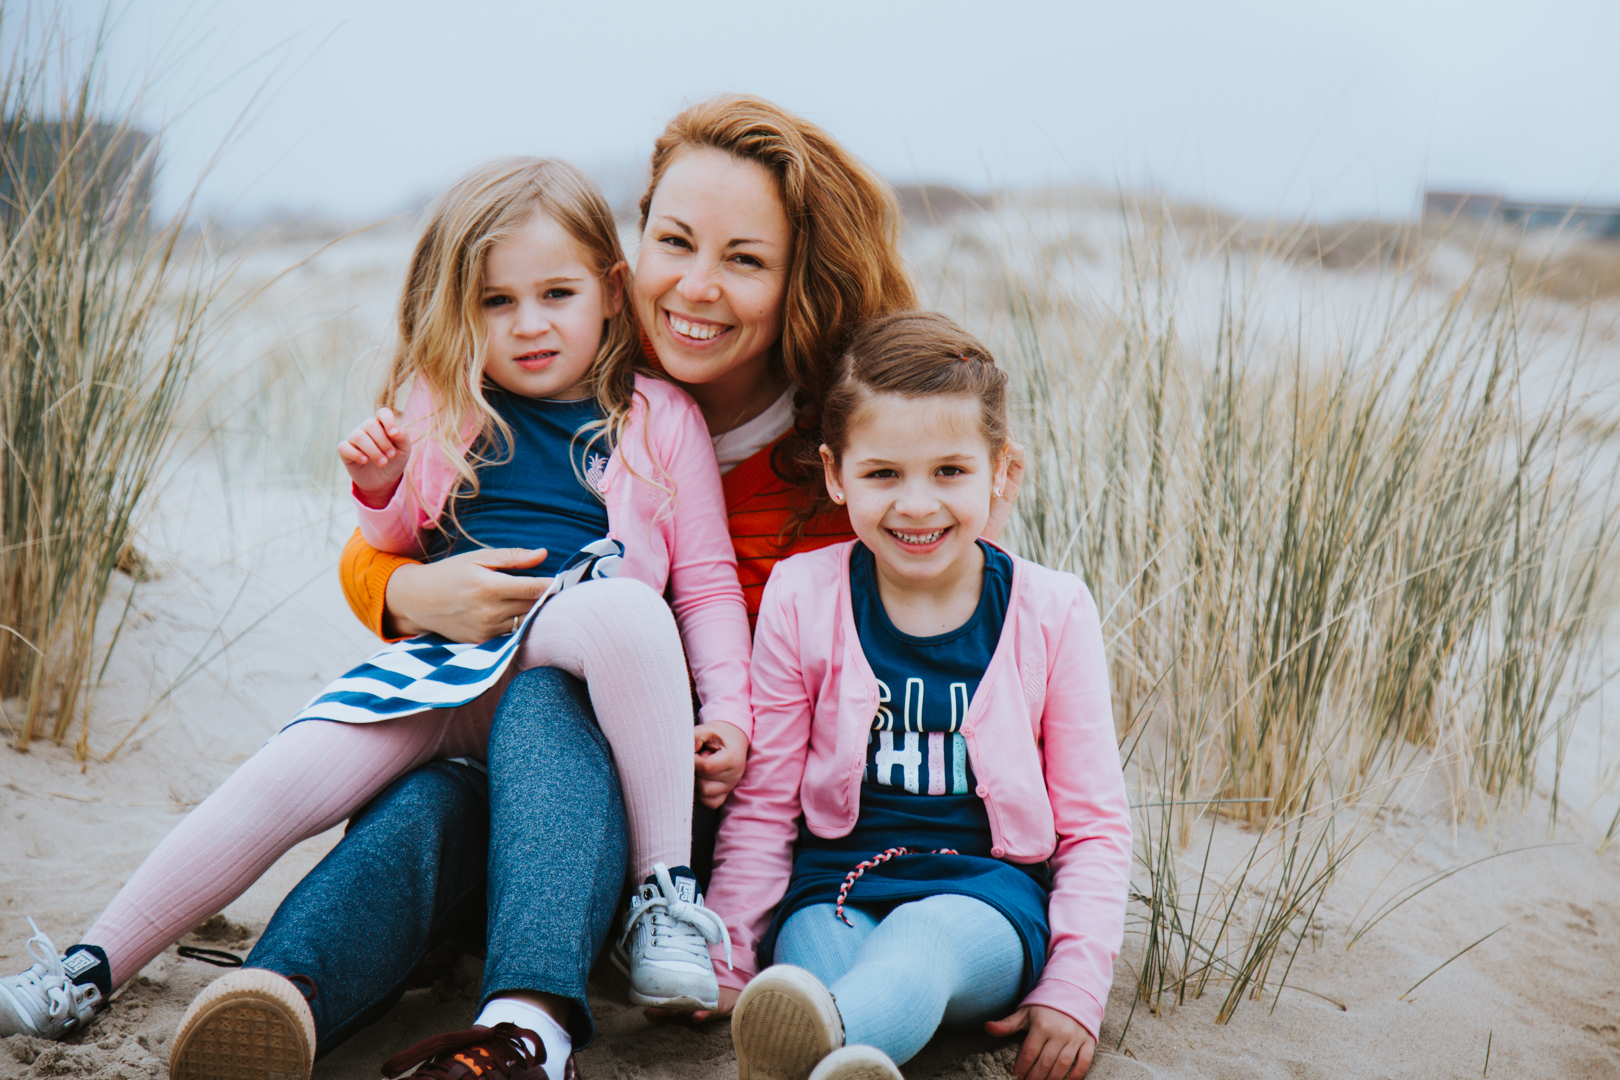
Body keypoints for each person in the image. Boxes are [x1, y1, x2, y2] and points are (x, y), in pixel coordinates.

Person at [0, 155, 755, 1070]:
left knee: (632, 610)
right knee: (278, 778)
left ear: (609, 288)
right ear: (458, 307)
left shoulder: (655, 414)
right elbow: (399, 532)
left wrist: (726, 713)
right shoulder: (443, 398)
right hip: (449, 667)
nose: (528, 325)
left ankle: (663, 896)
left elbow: (708, 584)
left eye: (556, 293)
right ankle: (89, 964)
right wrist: (379, 484)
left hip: (566, 654)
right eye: (494, 302)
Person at [709, 312, 1131, 1080]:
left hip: (983, 898)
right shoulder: (805, 594)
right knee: (807, 977)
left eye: (949, 471)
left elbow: (1095, 824)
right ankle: (835, 1052)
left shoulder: (1051, 611)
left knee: (917, 946)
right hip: (835, 886)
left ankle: (817, 1044)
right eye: (883, 474)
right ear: (836, 474)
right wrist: (734, 949)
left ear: (1000, 472)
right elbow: (765, 798)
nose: (916, 504)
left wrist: (1074, 985)